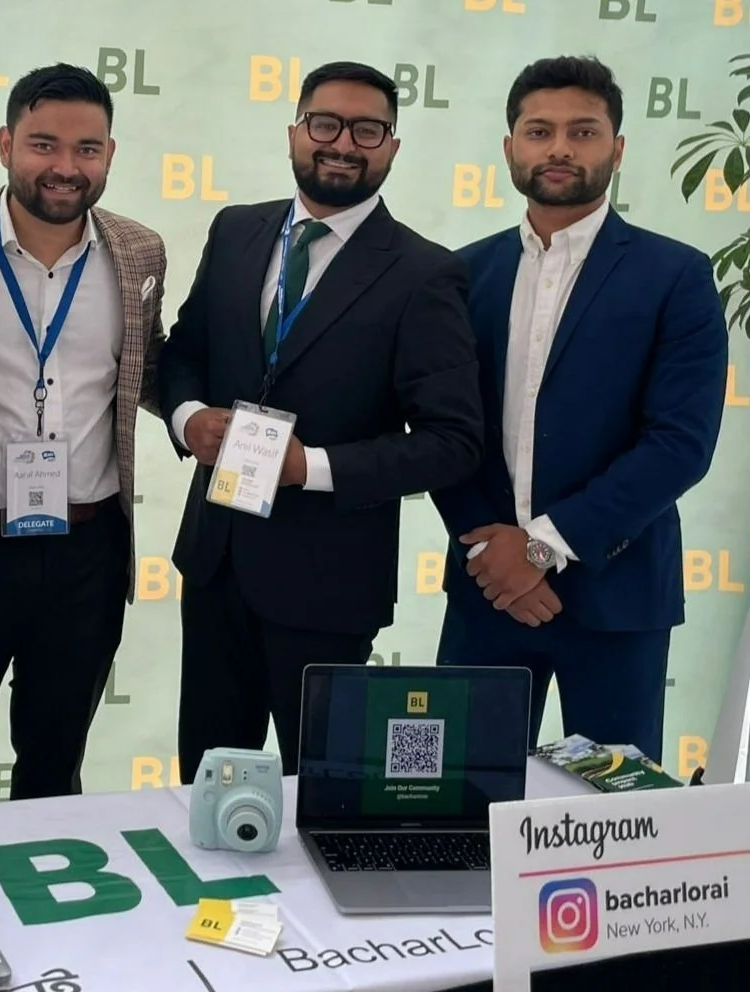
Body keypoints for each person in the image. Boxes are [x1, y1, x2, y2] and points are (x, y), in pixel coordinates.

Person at [157, 61, 484, 783]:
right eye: (324, 124)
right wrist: (187, 419)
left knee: (328, 799)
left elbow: (451, 442)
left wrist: (313, 467)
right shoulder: (236, 231)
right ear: (294, 134)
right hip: (216, 562)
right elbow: (183, 353)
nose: (342, 142)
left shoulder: (423, 273)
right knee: (210, 792)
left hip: (327, 583)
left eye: (367, 129)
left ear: (391, 147)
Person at [431, 56, 728, 764]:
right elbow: (443, 428)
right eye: (538, 131)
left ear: (616, 148)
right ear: (510, 148)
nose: (558, 147)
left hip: (616, 595)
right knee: (456, 810)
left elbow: (678, 444)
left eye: (582, 132)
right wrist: (489, 550)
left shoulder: (676, 275)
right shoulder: (459, 273)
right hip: (487, 593)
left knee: (613, 823)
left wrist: (538, 548)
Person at [0, 63, 168, 809]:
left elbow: (151, 367)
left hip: (88, 550)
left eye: (87, 149)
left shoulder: (139, 253)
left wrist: (204, 415)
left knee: (54, 759)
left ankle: (42, 913)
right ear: (6, 144)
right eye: (44, 145)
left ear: (109, 154)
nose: (65, 167)